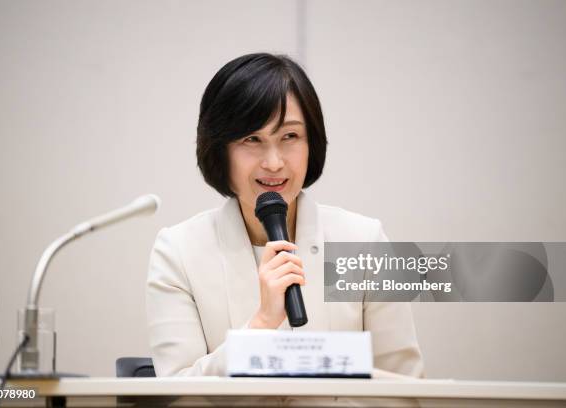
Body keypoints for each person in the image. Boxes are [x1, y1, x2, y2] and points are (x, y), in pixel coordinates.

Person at [146, 53, 424, 378]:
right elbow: (176, 395)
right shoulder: (178, 251)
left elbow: (405, 389)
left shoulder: (365, 241)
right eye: (252, 139)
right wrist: (260, 325)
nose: (274, 162)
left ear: (312, 143)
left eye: (289, 136)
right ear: (219, 149)